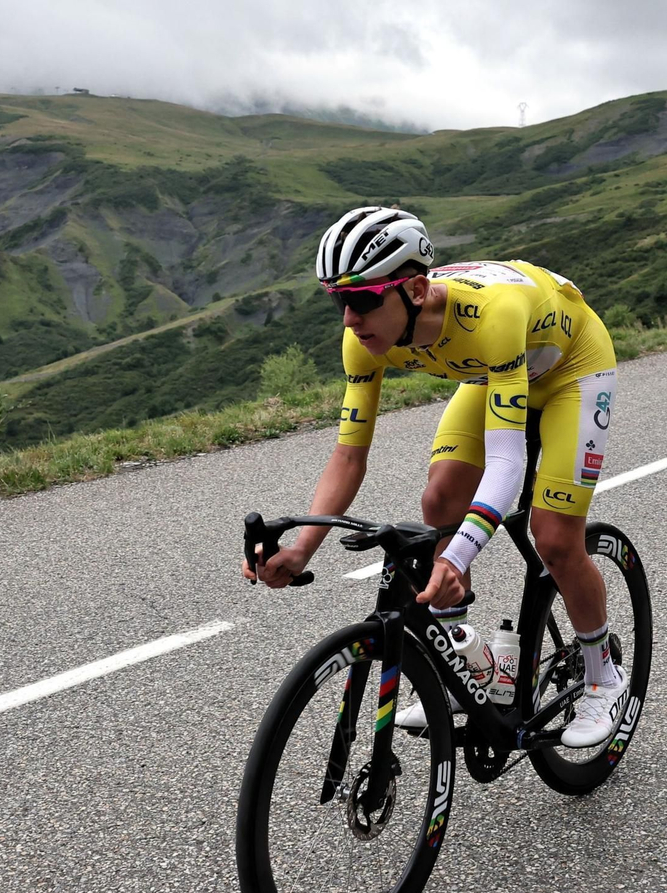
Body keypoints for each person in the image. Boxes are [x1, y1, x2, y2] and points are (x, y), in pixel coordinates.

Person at [241, 206, 627, 748]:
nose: (349, 319)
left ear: (416, 290)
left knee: (556, 539)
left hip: (569, 369)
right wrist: (303, 550)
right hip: (492, 373)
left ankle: (602, 676)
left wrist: (458, 556)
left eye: (363, 300)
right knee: (441, 498)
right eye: (339, 301)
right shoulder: (364, 338)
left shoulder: (493, 315)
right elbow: (349, 456)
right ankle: (461, 668)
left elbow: (508, 463)